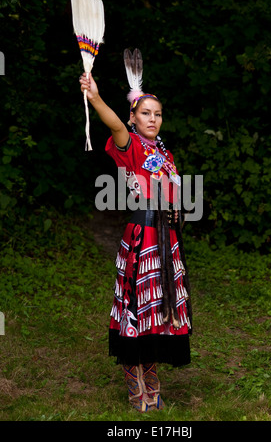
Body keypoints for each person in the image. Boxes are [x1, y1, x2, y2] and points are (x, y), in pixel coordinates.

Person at [79, 49, 192, 413]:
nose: (153, 119)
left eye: (158, 114)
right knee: (136, 308)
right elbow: (112, 125)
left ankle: (152, 379)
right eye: (146, 113)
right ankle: (134, 382)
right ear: (133, 117)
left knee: (159, 312)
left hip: (167, 240)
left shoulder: (166, 153)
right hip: (142, 237)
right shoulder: (130, 146)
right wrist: (95, 97)